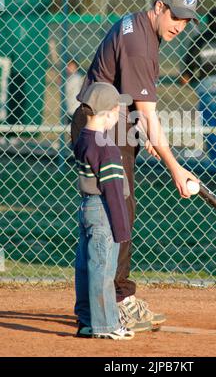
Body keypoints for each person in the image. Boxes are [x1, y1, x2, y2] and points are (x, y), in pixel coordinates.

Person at [71, 0, 200, 332]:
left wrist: (147, 138)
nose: (180, 25)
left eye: (186, 21)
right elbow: (147, 114)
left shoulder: (138, 26)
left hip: (107, 123)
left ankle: (92, 308)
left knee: (107, 216)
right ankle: (118, 301)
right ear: (159, 6)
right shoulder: (140, 44)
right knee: (116, 214)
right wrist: (176, 168)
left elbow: (135, 109)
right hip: (104, 127)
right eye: (175, 16)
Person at [74, 81, 135, 340]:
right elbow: (112, 190)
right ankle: (107, 324)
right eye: (117, 112)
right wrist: (122, 228)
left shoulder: (84, 138)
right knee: (103, 269)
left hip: (88, 207)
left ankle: (87, 320)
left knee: (86, 268)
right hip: (103, 211)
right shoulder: (106, 146)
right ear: (108, 113)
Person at [182, 7, 216, 165]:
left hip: (207, 83)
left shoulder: (200, 40)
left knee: (209, 120)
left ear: (207, 21)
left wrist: (189, 76)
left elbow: (190, 62)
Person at [65, 59, 84, 124]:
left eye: (71, 66)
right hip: (69, 108)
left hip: (74, 108)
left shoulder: (76, 77)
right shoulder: (68, 77)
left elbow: (67, 89)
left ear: (76, 67)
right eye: (68, 66)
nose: (68, 68)